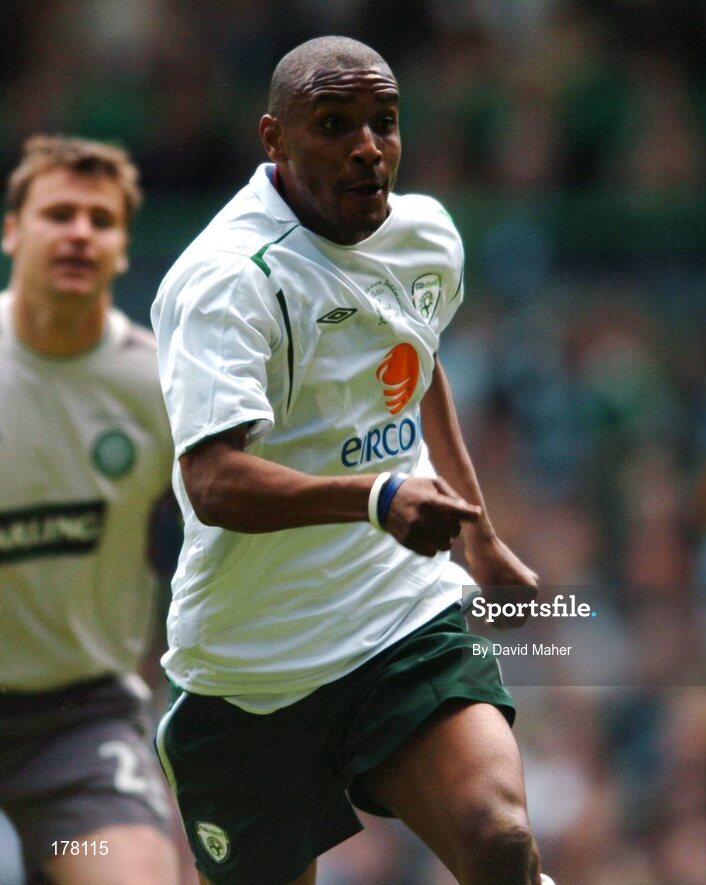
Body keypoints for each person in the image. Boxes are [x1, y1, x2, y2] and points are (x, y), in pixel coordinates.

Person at [151, 35, 556, 885]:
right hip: (250, 667)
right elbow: (212, 480)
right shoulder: (229, 281)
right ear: (275, 139)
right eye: (335, 124)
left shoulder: (425, 236)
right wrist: (378, 496)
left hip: (398, 614)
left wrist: (479, 536)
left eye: (385, 122)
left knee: (500, 843)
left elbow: (414, 357)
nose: (368, 147)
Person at [0, 136, 179, 883]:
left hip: (76, 733)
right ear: (12, 231)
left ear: (123, 249)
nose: (80, 233)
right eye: (59, 214)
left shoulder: (159, 385)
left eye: (101, 221)